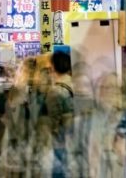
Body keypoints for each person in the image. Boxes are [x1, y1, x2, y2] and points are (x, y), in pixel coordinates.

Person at [45, 50, 74, 178]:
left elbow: (53, 122)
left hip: (61, 142)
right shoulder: (76, 84)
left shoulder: (55, 91)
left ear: (52, 67)